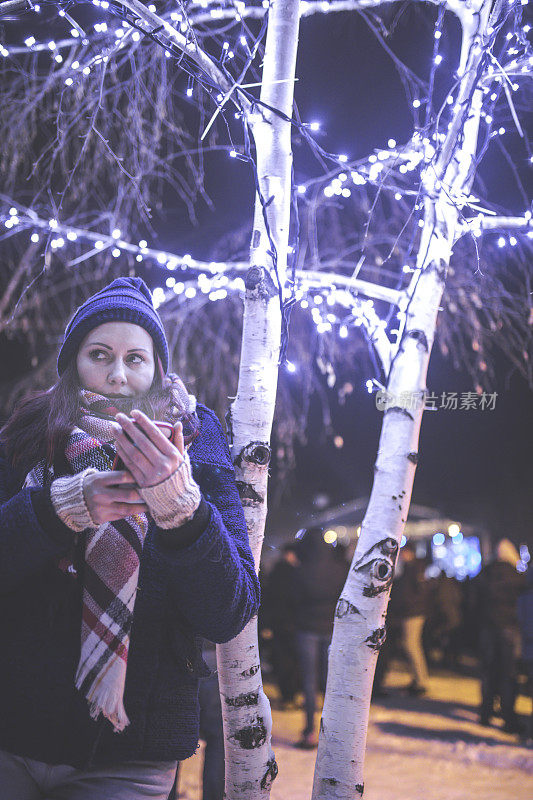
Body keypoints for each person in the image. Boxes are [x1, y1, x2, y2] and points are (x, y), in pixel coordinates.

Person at [0, 277, 260, 799]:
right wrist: (59, 509)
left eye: (136, 359)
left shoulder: (195, 437)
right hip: (13, 730)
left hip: (130, 751)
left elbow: (230, 609)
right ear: (74, 361)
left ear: (157, 369)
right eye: (100, 354)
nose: (118, 375)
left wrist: (180, 508)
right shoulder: (30, 430)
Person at [292, 527, 349, 748]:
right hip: (332, 627)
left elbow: (294, 600)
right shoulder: (339, 568)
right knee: (331, 681)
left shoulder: (301, 570)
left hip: (306, 627)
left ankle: (310, 731)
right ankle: (334, 730)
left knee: (309, 681)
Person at [476, 538, 526, 733]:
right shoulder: (517, 576)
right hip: (509, 627)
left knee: (488, 671)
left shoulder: (486, 573)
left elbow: (474, 600)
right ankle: (508, 716)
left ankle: (486, 712)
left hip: (488, 627)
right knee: (508, 672)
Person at [260, 544, 301, 708]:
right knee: (291, 660)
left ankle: (287, 695)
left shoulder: (276, 572)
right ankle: (290, 695)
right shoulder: (296, 573)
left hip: (278, 624)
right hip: (292, 625)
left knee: (282, 660)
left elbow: (268, 600)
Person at [395, 542, 430, 696]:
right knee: (412, 646)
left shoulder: (414, 569)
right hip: (411, 612)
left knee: (411, 646)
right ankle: (418, 679)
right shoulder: (411, 568)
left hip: (413, 613)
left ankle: (421, 681)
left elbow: (416, 592)